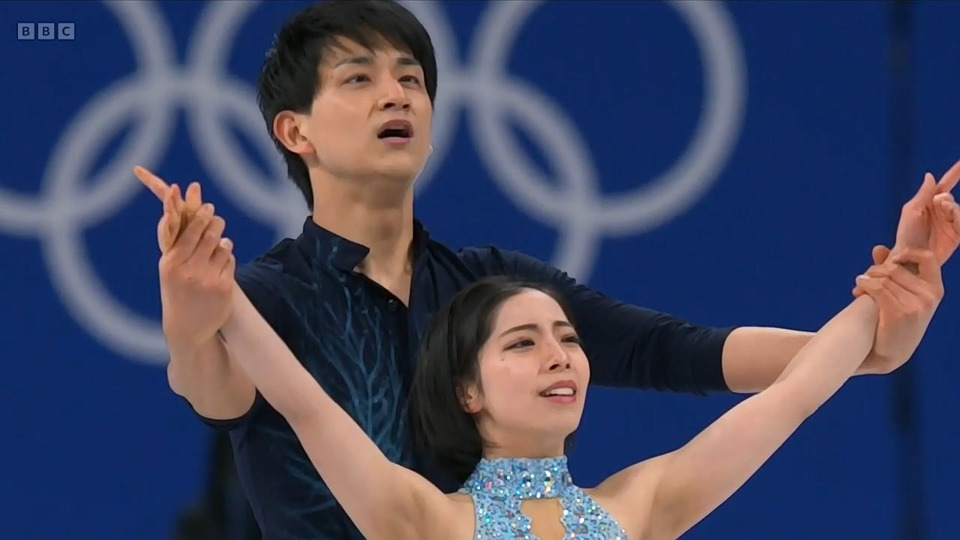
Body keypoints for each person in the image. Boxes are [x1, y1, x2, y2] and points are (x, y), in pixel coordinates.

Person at [135, 1, 960, 538]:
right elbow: (225, 383)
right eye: (360, 79)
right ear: (295, 131)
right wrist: (197, 309)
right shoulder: (268, 299)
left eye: (413, 79)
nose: (398, 96)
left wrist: (882, 328)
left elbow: (702, 360)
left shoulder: (500, 291)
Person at [160, 158, 942, 538]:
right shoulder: (424, 520)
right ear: (467, 389)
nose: (560, 355)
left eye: (568, 338)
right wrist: (218, 295)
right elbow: (303, 403)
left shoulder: (640, 505)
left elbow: (794, 394)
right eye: (523, 343)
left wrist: (897, 280)